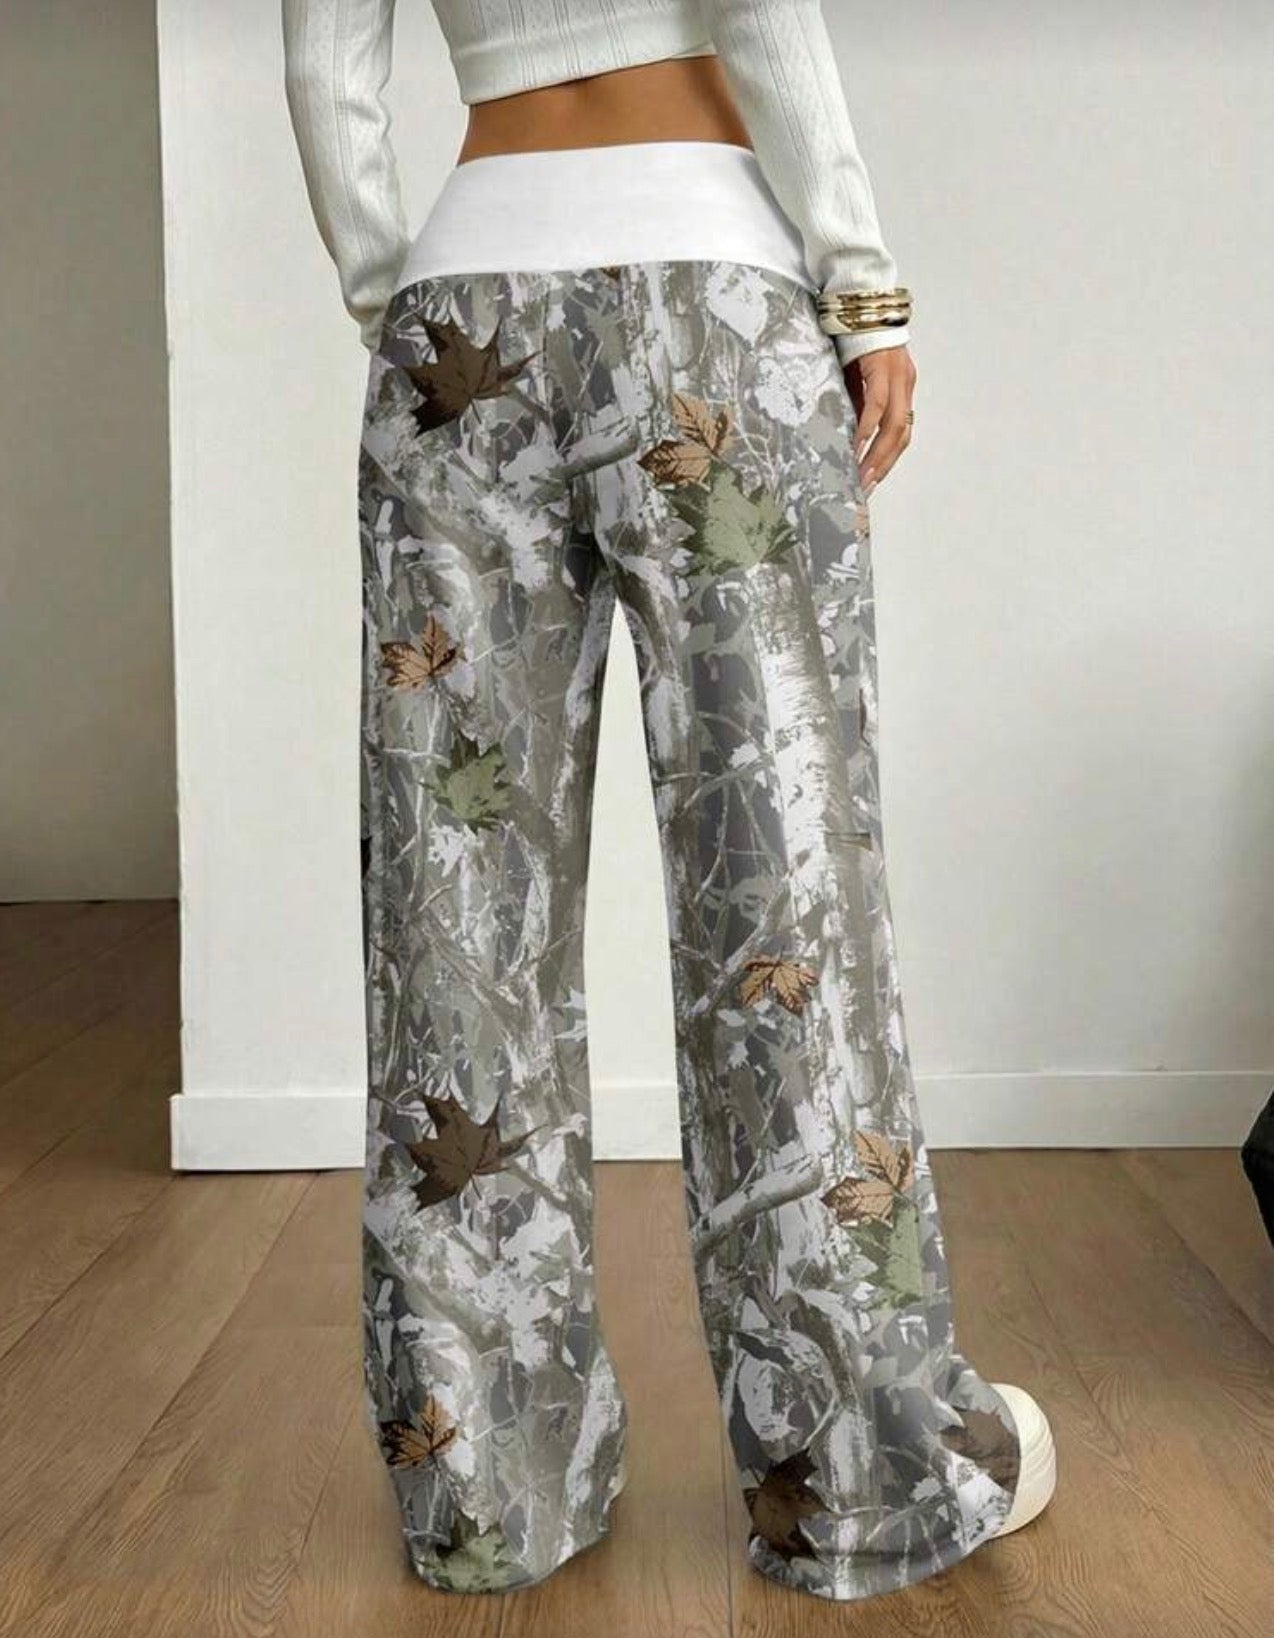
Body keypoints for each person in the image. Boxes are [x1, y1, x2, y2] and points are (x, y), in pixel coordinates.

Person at [281, 0, 1056, 1603]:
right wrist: (862, 280)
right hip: (706, 293)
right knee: (779, 893)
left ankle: (487, 1492)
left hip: (459, 305)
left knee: (452, 907)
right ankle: (861, 1476)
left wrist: (387, 291)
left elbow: (323, 59)